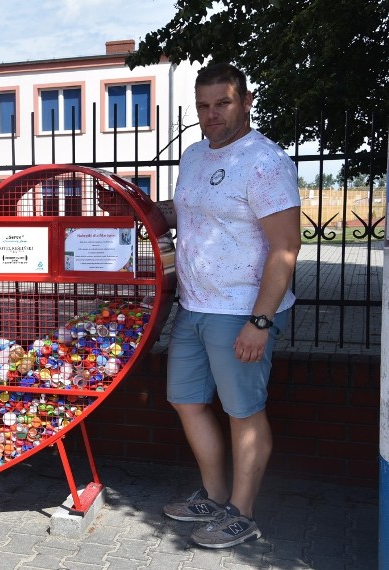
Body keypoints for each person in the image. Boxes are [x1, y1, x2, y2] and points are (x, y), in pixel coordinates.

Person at [158, 63, 301, 548]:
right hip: (194, 304)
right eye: (203, 105)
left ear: (246, 101)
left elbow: (285, 246)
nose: (211, 114)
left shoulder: (265, 161)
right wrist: (152, 209)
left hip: (241, 308)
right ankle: (215, 498)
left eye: (222, 103)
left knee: (244, 412)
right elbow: (192, 210)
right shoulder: (195, 155)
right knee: (186, 400)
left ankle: (243, 513)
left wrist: (260, 321)